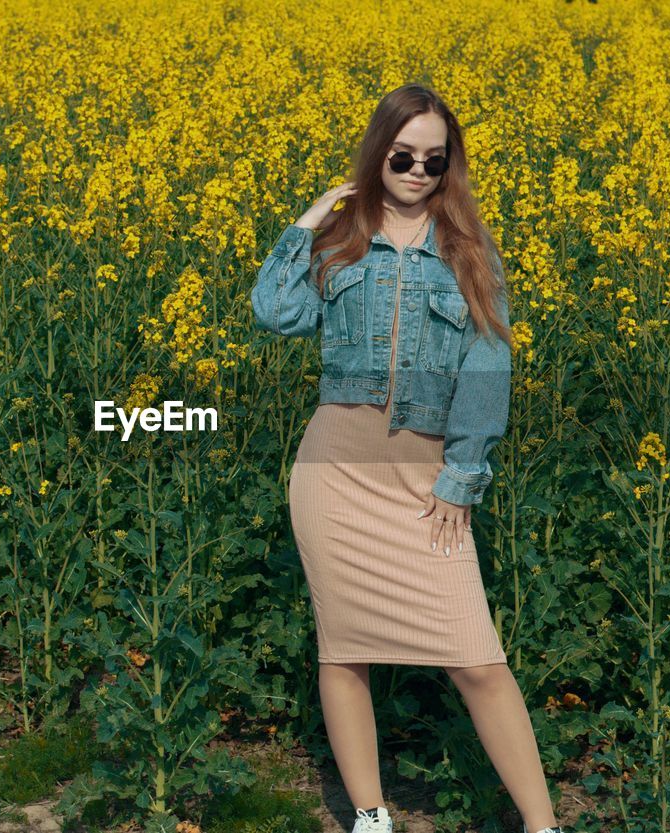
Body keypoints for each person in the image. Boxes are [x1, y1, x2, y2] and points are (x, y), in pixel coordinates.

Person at [250, 84, 565, 833]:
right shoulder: (340, 243)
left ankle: (545, 825)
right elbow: (274, 311)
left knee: (476, 657)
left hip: (427, 479)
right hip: (333, 472)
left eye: (434, 158)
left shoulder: (469, 253)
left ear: (449, 165)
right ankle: (370, 815)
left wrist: (462, 476)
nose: (418, 169)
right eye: (402, 155)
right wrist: (311, 218)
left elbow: (489, 372)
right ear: (378, 153)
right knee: (343, 648)